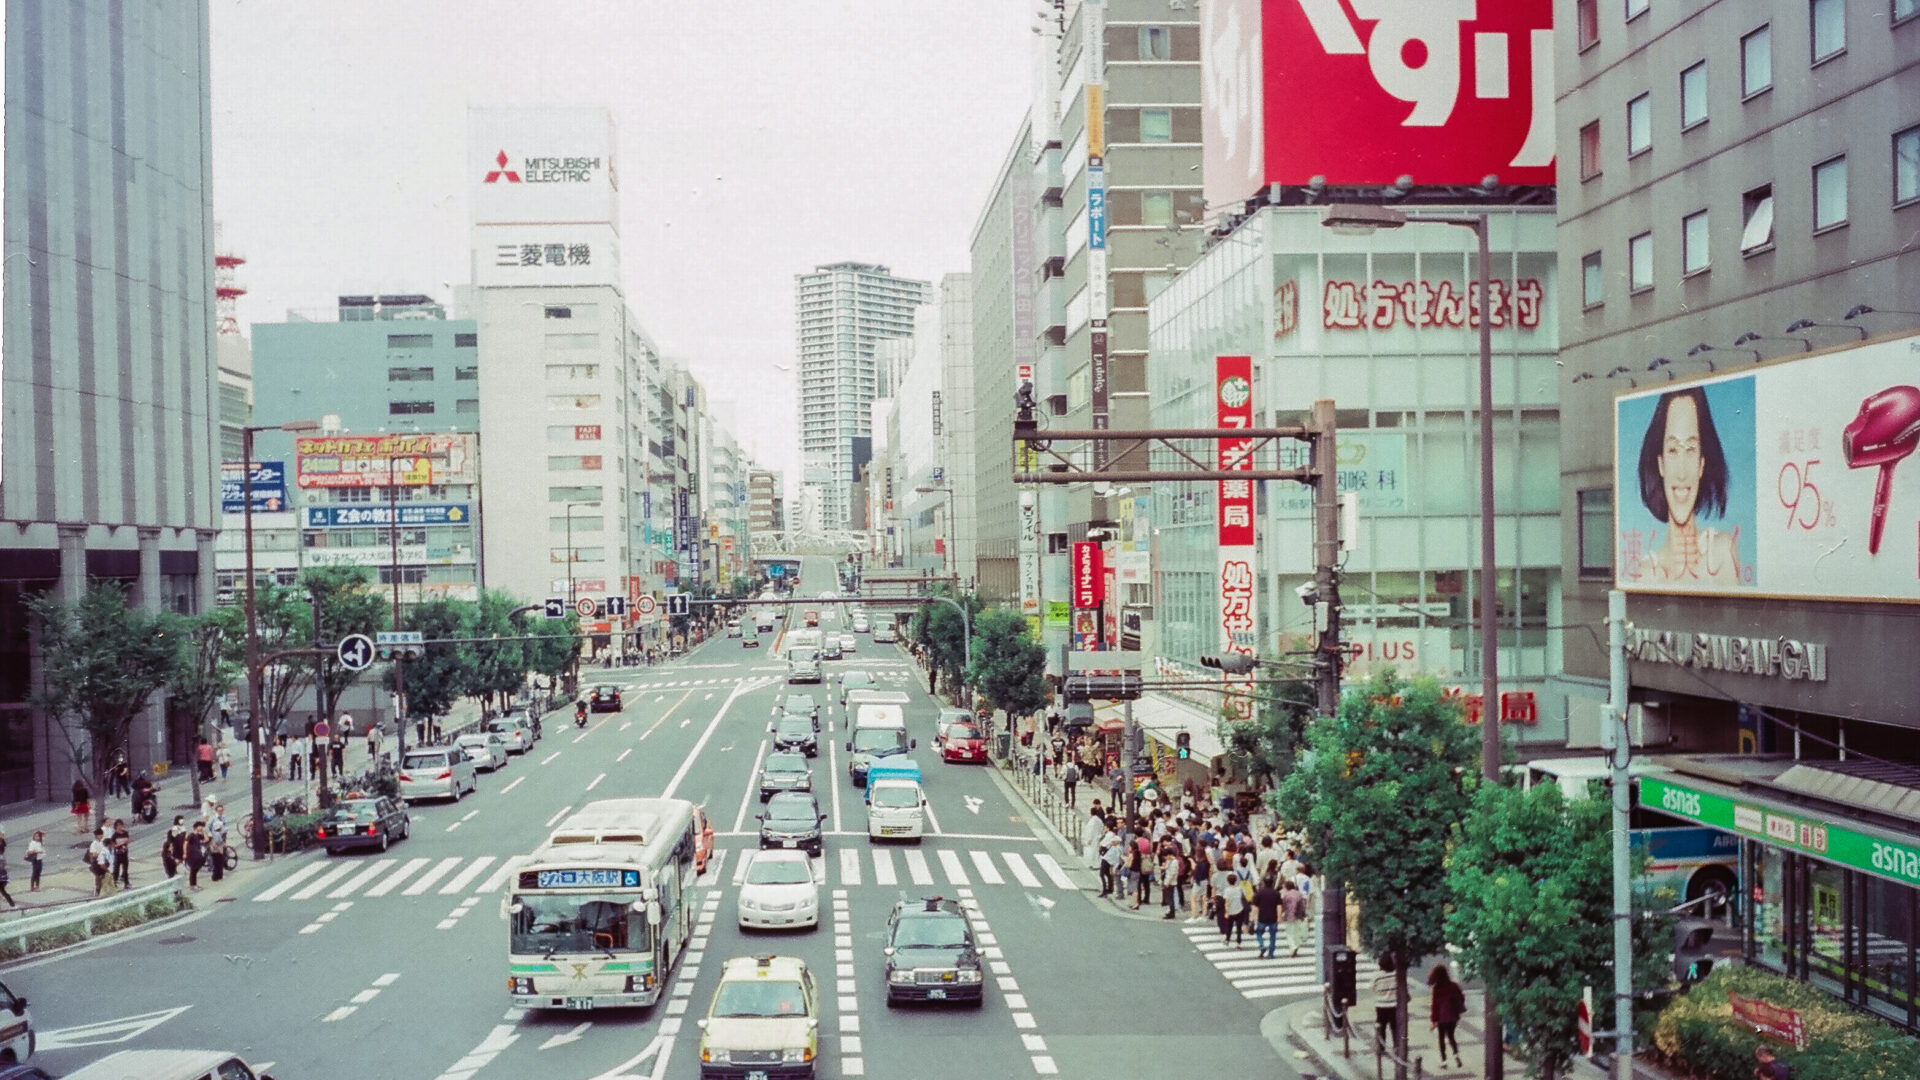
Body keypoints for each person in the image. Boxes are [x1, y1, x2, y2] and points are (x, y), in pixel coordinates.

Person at [1633, 386, 1742, 584]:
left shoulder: (1722, 552)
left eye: (1690, 449)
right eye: (1673, 450)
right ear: (1661, 464)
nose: (1681, 473)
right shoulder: (1647, 573)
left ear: (1701, 464)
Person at [1428, 964, 1466, 1069]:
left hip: (1441, 1017)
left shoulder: (1436, 988)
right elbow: (1462, 998)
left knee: (1441, 1038)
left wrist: (1433, 1020)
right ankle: (1456, 1055)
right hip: (1453, 1016)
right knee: (1451, 1036)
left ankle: (1444, 1061)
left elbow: (1434, 1005)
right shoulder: (1453, 985)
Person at [1370, 953, 1401, 1050]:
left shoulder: (1376, 976)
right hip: (1393, 1004)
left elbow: (1372, 988)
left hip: (1381, 1005)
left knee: (1381, 1026)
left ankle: (1381, 1046)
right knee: (1394, 1026)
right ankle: (1396, 1045)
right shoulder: (1396, 975)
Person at [1250, 873, 1283, 959]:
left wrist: (1252, 919)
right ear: (1272, 882)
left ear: (1264, 882)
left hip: (1262, 917)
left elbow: (1255, 907)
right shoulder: (1276, 893)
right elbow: (1279, 906)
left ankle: (1262, 946)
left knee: (1259, 933)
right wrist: (1279, 917)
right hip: (1273, 917)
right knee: (1273, 936)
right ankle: (1271, 954)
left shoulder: (1259, 893)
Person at [1280, 877, 1310, 957]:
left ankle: (1292, 947)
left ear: (1286, 887)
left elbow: (1285, 906)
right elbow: (1303, 905)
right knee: (1297, 932)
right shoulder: (1299, 894)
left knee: (1289, 933)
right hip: (1299, 916)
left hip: (1290, 916)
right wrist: (1303, 914)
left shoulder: (1286, 895)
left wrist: (1283, 914)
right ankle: (1297, 946)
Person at [87, 827, 113, 896]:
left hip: (105, 860)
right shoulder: (94, 844)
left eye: (101, 834)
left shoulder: (104, 841)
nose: (101, 836)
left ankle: (107, 888)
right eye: (99, 835)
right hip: (96, 862)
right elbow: (94, 854)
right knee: (98, 876)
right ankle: (97, 889)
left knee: (106, 875)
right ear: (96, 836)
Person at [184, 821, 209, 891]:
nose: (201, 827)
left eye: (202, 826)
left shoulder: (198, 836)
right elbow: (185, 844)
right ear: (196, 827)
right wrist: (185, 853)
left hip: (197, 854)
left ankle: (194, 885)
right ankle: (192, 885)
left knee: (195, 870)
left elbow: (206, 839)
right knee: (193, 870)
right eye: (200, 826)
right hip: (191, 855)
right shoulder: (191, 835)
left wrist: (203, 832)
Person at [110, 818, 132, 888]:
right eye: (118, 826)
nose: (120, 827)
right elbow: (113, 846)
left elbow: (128, 841)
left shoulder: (125, 833)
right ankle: (114, 882)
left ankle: (126, 883)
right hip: (118, 854)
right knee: (116, 869)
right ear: (116, 827)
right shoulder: (114, 835)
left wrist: (126, 843)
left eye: (121, 825)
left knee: (125, 869)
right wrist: (121, 843)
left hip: (124, 853)